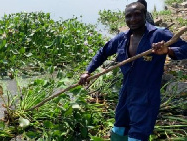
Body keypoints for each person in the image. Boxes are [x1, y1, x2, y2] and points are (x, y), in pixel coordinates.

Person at [79, 2, 187, 141]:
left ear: (144, 15)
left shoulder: (159, 34)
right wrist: (88, 71)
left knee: (137, 134)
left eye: (137, 15)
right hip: (126, 91)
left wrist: (168, 50)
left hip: (147, 94)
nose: (133, 19)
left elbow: (185, 49)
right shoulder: (122, 38)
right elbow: (103, 52)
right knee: (119, 127)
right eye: (128, 16)